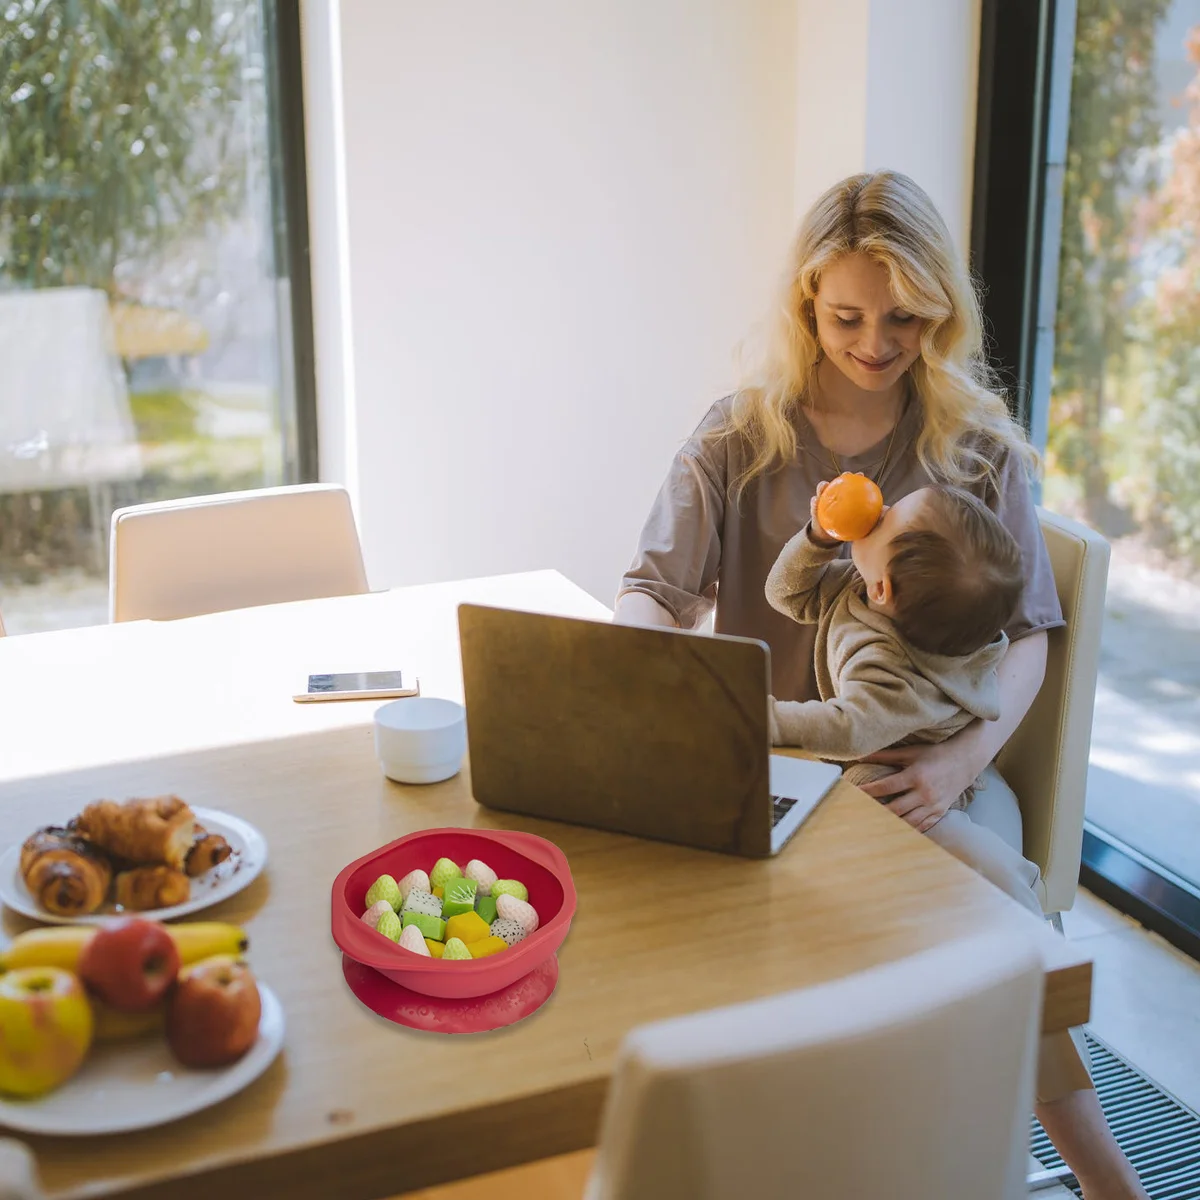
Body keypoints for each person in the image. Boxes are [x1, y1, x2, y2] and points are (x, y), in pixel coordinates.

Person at [616, 170, 1147, 1199]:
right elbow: (654, 590)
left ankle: (1100, 1176)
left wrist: (955, 767)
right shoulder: (740, 435)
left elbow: (1032, 635)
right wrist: (645, 678)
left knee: (993, 918)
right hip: (771, 766)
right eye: (847, 315)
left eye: (904, 317)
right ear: (806, 303)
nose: (874, 343)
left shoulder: (975, 449)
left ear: (939, 311)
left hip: (915, 772)